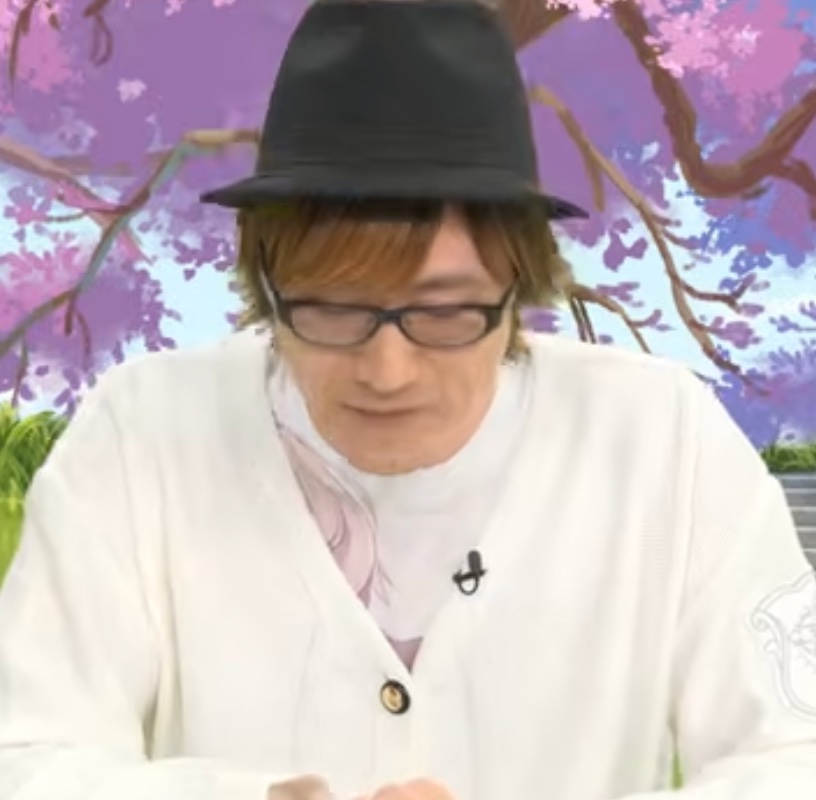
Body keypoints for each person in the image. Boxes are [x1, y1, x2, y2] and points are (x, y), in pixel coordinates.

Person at [1, 1, 815, 799]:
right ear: (267, 285)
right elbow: (23, 755)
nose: (387, 371)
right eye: (332, 308)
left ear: (518, 288)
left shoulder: (663, 439)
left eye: (446, 311)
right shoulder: (141, 433)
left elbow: (797, 756)